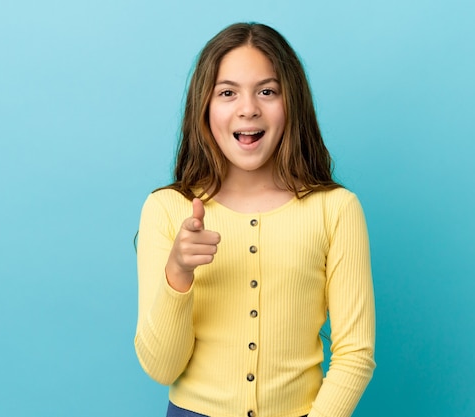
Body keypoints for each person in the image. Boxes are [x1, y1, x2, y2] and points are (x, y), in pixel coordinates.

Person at [134, 22, 375, 417]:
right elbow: (161, 368)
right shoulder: (166, 209)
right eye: (227, 93)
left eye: (267, 91)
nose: (248, 108)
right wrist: (177, 272)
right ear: (205, 107)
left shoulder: (337, 209)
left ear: (291, 102)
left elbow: (356, 353)